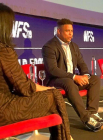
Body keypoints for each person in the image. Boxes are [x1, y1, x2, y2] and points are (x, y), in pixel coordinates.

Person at [0, 3, 73, 140]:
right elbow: (24, 87)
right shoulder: (4, 50)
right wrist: (46, 89)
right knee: (55, 96)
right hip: (4, 110)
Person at [42, 18, 103, 132]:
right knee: (69, 82)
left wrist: (86, 76)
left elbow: (81, 63)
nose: (71, 33)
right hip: (56, 80)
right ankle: (86, 119)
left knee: (95, 79)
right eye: (67, 31)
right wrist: (74, 77)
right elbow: (52, 69)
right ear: (59, 31)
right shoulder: (49, 47)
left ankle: (93, 113)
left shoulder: (74, 46)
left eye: (72, 31)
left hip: (70, 80)